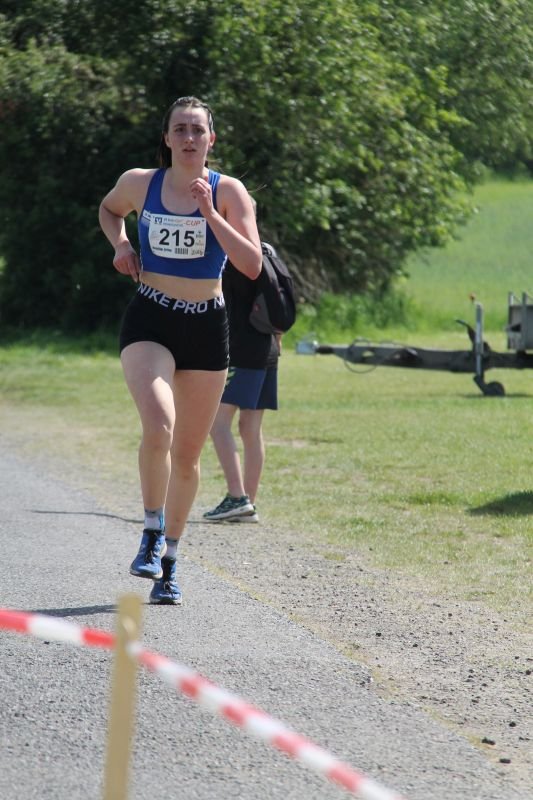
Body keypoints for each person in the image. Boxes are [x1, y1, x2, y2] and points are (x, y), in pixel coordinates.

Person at [98, 96, 261, 605]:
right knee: (159, 424)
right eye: (180, 129)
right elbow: (109, 210)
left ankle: (169, 562)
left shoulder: (229, 191)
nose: (189, 138)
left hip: (207, 327)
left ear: (212, 139)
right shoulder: (139, 183)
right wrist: (122, 245)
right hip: (151, 317)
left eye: (197, 130)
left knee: (188, 457)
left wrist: (210, 213)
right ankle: (150, 530)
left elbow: (251, 264)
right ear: (166, 138)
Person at [203, 219, 281, 524]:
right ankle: (248, 502)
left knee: (218, 422)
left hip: (241, 349)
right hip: (269, 349)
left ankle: (237, 498)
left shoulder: (230, 254)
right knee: (251, 429)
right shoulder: (267, 250)